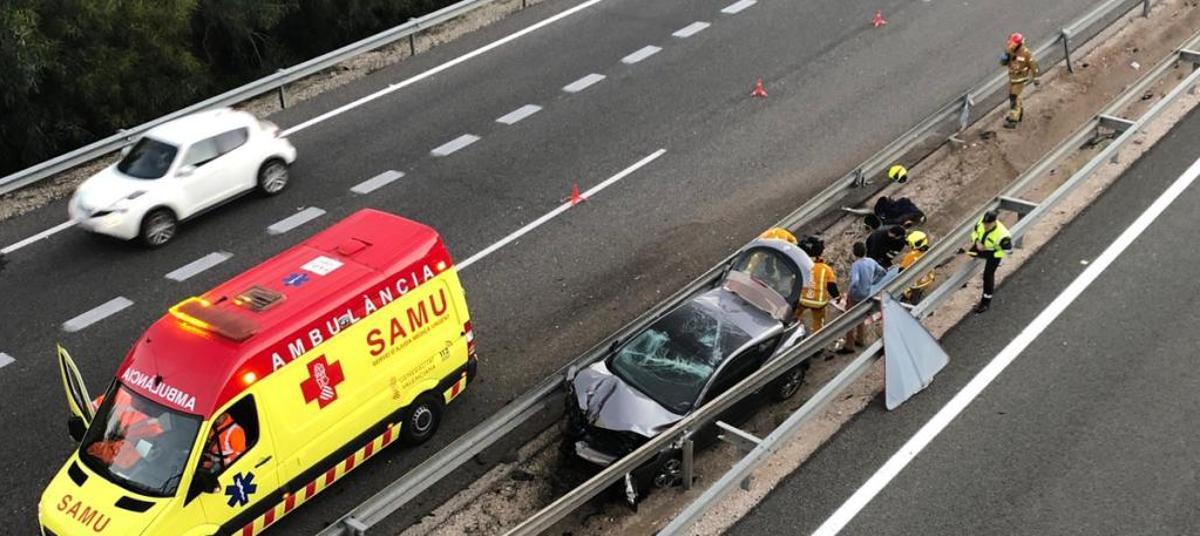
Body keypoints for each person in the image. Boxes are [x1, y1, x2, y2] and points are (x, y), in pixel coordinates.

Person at [960, 210, 1013, 313]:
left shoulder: (1003, 235)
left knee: (988, 275)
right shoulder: (981, 223)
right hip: (980, 246)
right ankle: (963, 282)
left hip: (994, 253)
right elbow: (974, 232)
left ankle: (986, 302)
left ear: (994, 222)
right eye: (985, 223)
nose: (985, 226)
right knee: (968, 257)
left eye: (988, 224)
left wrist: (990, 252)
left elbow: (1007, 251)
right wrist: (977, 241)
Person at [839, 242, 887, 354]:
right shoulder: (871, 261)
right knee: (861, 316)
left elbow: (855, 281)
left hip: (856, 295)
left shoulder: (856, 264)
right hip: (866, 293)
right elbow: (883, 272)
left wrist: (849, 291)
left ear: (854, 252)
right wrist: (873, 282)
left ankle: (849, 345)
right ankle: (860, 339)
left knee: (850, 319)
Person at [797, 236, 840, 332]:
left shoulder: (803, 265)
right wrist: (837, 297)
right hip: (818, 302)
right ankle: (817, 341)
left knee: (795, 315)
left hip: (803, 299)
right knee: (818, 322)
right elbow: (831, 286)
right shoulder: (826, 269)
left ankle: (796, 330)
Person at [1001, 32, 1039, 128]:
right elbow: (1003, 63)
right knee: (1013, 97)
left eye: (1012, 43)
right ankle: (1019, 114)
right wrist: (1005, 58)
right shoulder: (1010, 52)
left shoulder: (1026, 53)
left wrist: (1036, 77)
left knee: (1015, 98)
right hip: (1012, 79)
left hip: (1020, 79)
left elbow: (1034, 66)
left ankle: (1013, 120)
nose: (1010, 45)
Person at [897, 230, 935, 304]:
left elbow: (901, 271)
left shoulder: (910, 256)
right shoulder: (930, 251)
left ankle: (917, 304)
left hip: (916, 283)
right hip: (928, 277)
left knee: (914, 297)